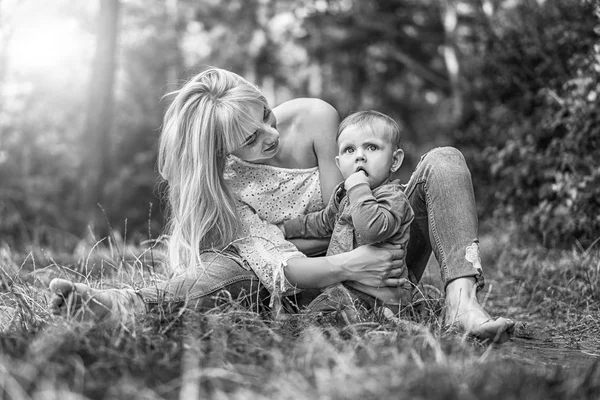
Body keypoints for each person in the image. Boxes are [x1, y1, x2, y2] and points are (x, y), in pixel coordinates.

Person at [49, 67, 514, 343]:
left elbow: (343, 215)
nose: (271, 134)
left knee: (444, 161)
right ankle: (123, 305)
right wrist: (346, 265)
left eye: (266, 115)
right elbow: (279, 267)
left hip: (381, 252)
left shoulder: (314, 117)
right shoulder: (226, 194)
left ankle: (461, 301)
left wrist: (337, 249)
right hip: (315, 287)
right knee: (224, 267)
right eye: (251, 138)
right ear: (222, 153)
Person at [279, 110, 414, 318]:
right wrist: (286, 228)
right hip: (346, 286)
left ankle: (390, 318)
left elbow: (372, 230)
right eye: (349, 150)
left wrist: (359, 188)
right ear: (339, 164)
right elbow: (323, 222)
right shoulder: (344, 195)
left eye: (372, 147)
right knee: (298, 298)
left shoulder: (393, 198)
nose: (360, 155)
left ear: (394, 161)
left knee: (317, 318)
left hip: (377, 295)